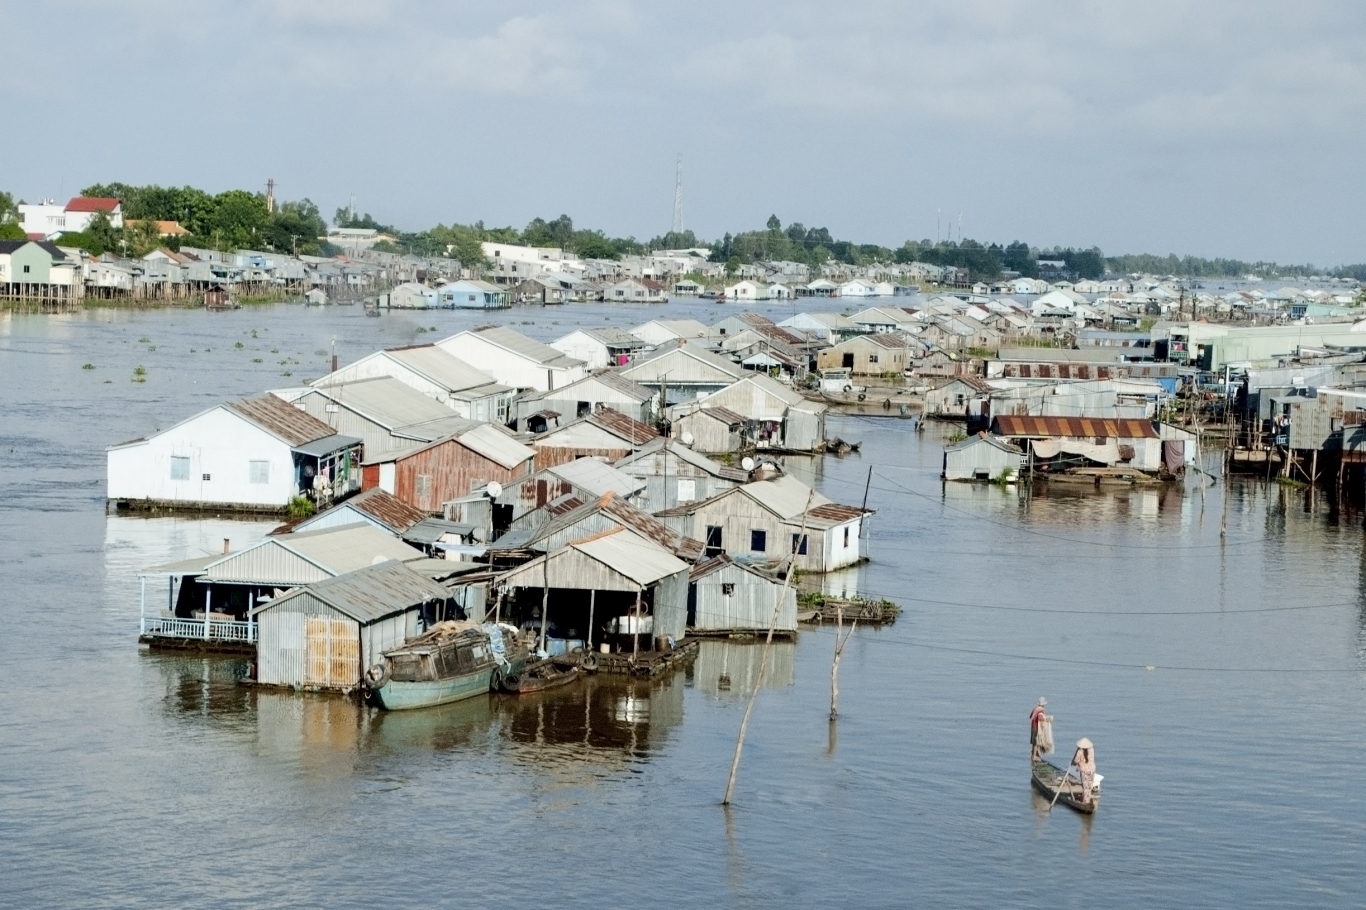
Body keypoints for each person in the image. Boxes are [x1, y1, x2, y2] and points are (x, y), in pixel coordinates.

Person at [1072, 738, 1097, 804]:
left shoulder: (1079, 751)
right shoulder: (1091, 749)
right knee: (1089, 785)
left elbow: (1076, 761)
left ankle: (1086, 801)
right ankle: (1087, 798)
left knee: (1085, 786)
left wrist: (1074, 763)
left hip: (1084, 770)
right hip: (1092, 769)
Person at [1029, 697, 1047, 762]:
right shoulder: (1041, 710)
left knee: (1034, 741)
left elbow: (1031, 716)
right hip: (1037, 727)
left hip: (1032, 726)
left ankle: (1034, 753)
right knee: (1037, 741)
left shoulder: (1035, 709)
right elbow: (1041, 718)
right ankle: (1034, 756)